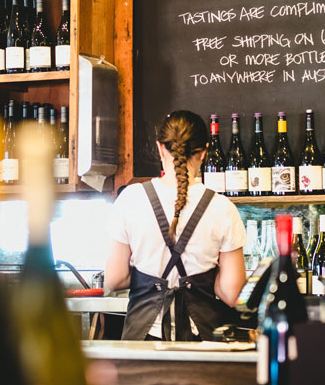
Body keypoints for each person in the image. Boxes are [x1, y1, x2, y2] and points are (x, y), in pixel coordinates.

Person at [105, 110, 246, 341]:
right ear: (203, 153)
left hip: (142, 343)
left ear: (161, 148)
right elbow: (232, 294)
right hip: (202, 344)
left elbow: (115, 279)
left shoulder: (130, 199)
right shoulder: (223, 208)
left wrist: (148, 276)